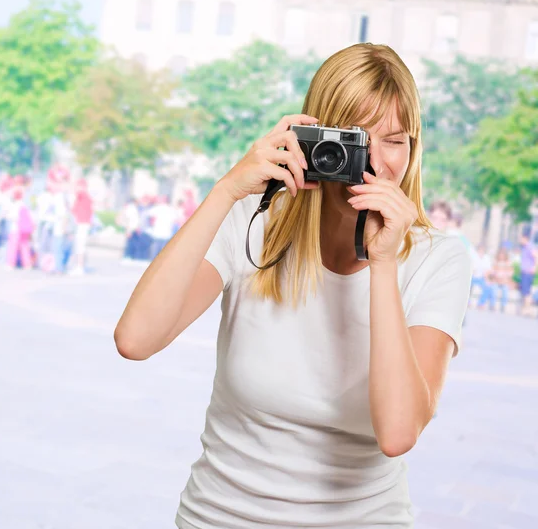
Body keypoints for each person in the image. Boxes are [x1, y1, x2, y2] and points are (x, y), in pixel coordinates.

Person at [114, 43, 472, 529]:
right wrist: (226, 191)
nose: (374, 163)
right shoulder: (253, 222)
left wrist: (382, 262)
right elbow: (136, 340)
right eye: (354, 140)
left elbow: (398, 431)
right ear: (314, 137)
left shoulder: (438, 260)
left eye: (395, 140)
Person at [488, 247, 514, 313]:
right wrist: (495, 277)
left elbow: (510, 273)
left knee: (505, 290)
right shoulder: (495, 263)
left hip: (504, 281)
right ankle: (492, 305)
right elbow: (492, 272)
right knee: (493, 289)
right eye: (500, 255)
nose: (501, 256)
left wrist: (505, 278)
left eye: (503, 255)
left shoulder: (508, 263)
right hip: (496, 280)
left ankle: (503, 305)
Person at [519, 230, 537, 317]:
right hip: (525, 272)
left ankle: (527, 310)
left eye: (521, 238)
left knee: (527, 292)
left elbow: (536, 256)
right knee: (526, 291)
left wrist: (534, 268)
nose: (520, 240)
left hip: (528, 272)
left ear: (525, 238)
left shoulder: (530, 246)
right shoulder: (525, 247)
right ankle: (526, 309)